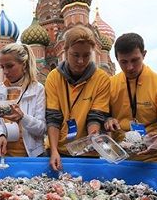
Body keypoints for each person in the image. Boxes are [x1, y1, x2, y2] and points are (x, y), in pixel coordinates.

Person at [105, 33, 157, 162]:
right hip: (119, 159)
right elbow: (102, 117)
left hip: (152, 160)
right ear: (116, 59)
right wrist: (108, 120)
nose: (130, 67)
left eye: (135, 60)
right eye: (124, 62)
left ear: (144, 55)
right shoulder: (109, 85)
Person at [45, 25, 110, 171]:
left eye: (86, 55)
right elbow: (53, 117)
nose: (81, 61)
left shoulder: (102, 78)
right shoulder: (53, 77)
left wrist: (93, 137)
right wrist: (54, 150)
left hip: (87, 152)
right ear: (65, 50)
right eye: (75, 55)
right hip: (58, 150)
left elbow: (95, 116)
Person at [0, 43, 46, 157]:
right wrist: (0, 135)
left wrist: (22, 118)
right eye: (2, 67)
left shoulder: (37, 89)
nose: (5, 72)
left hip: (31, 156)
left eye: (10, 66)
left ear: (23, 65)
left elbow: (42, 128)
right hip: (4, 155)